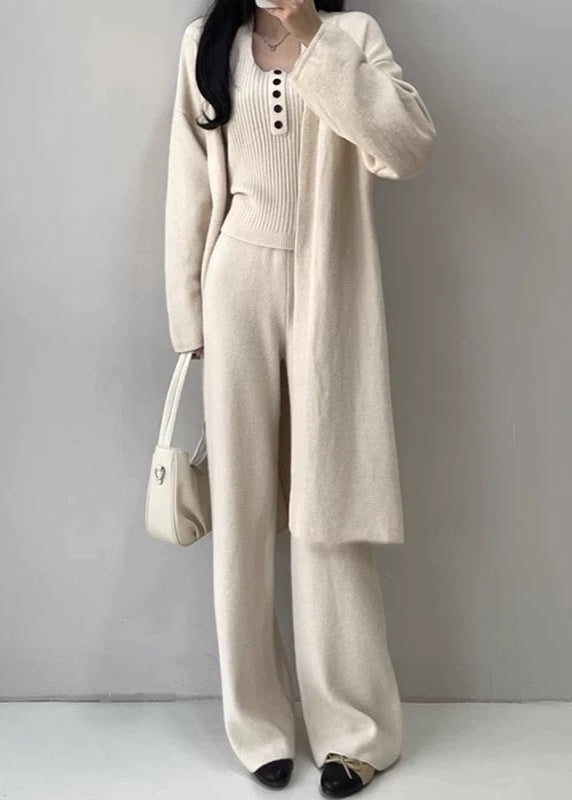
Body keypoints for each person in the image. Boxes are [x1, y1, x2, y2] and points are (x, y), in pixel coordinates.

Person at [163, 0, 436, 795]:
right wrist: (188, 316)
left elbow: (407, 147)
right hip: (237, 281)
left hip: (330, 283)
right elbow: (188, 181)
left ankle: (354, 733)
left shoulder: (353, 37)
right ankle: (259, 728)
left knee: (329, 499)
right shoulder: (206, 44)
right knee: (241, 509)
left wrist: (315, 36)